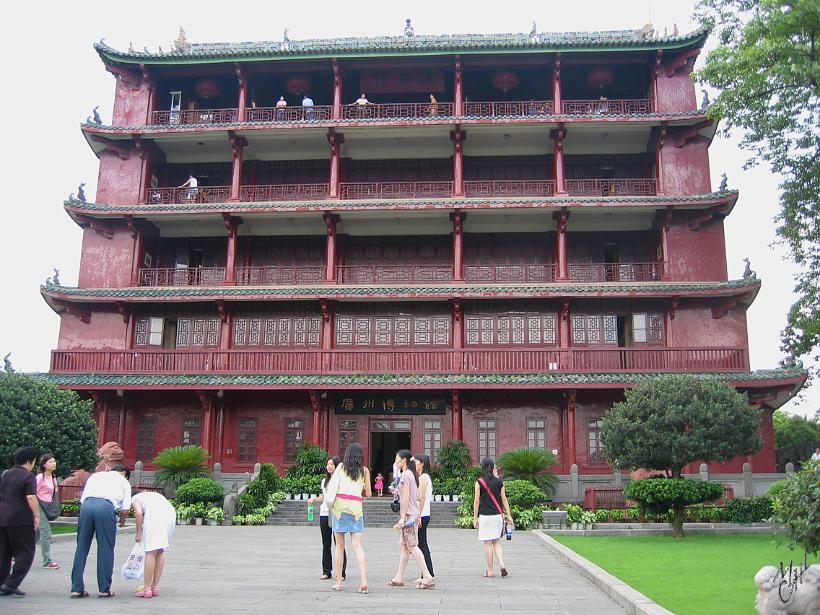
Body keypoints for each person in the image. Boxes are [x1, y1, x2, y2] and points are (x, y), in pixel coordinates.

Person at [70, 464, 132, 599]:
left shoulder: (96, 476)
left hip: (86, 506)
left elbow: (83, 497)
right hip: (105, 507)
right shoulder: (124, 481)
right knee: (105, 548)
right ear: (123, 473)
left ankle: (76, 588)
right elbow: (125, 509)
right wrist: (121, 521)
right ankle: (104, 589)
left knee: (81, 547)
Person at [324, 442, 371, 593]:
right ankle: (363, 580)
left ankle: (338, 581)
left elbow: (334, 487)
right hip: (356, 509)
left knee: (339, 546)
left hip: (340, 509)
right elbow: (369, 493)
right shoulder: (364, 471)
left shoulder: (340, 468)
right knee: (357, 546)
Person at [388, 450, 434, 590]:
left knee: (413, 546)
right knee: (404, 546)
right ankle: (399, 577)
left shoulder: (406, 474)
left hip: (408, 514)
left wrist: (403, 517)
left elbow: (407, 497)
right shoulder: (412, 475)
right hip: (412, 513)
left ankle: (427, 576)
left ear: (403, 460)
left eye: (397, 458)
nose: (395, 461)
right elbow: (418, 496)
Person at [0, 446, 41, 597]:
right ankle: (11, 583)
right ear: (31, 460)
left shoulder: (6, 474)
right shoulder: (28, 476)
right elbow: (31, 497)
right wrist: (37, 515)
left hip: (3, 517)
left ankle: (2, 583)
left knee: (4, 553)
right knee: (26, 552)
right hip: (20, 519)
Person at [472, 457, 513, 578]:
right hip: (498, 515)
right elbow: (504, 499)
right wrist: (509, 515)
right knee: (496, 541)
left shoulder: (479, 482)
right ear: (492, 468)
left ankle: (490, 570)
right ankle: (501, 563)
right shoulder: (500, 481)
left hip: (485, 516)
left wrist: (475, 518)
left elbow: (476, 501)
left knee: (487, 542)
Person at [131, 490, 176, 599]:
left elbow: (138, 513)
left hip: (155, 516)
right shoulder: (152, 495)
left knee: (150, 551)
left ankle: (146, 589)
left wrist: (138, 533)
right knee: (160, 549)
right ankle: (155, 586)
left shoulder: (135, 498)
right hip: (170, 514)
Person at [308, 456, 346, 581]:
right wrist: (314, 499)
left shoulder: (341, 480)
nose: (329, 466)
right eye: (328, 464)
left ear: (337, 467)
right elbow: (325, 497)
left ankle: (341, 573)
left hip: (336, 513)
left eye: (331, 464)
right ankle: (326, 571)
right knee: (326, 543)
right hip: (324, 513)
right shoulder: (324, 481)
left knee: (339, 544)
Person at [35, 454, 60, 570]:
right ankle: (47, 561)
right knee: (46, 533)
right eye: (50, 462)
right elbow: (32, 493)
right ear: (44, 465)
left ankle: (15, 554)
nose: (53, 463)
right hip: (39, 506)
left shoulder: (53, 477)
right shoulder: (40, 477)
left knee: (34, 534)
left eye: (54, 461)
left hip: (48, 506)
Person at [413, 453, 434, 580]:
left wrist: (418, 515)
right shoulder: (425, 477)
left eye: (415, 462)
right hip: (425, 514)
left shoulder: (423, 478)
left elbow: (421, 498)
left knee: (422, 544)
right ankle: (428, 572)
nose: (414, 464)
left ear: (422, 464)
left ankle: (427, 573)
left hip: (422, 514)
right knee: (422, 544)